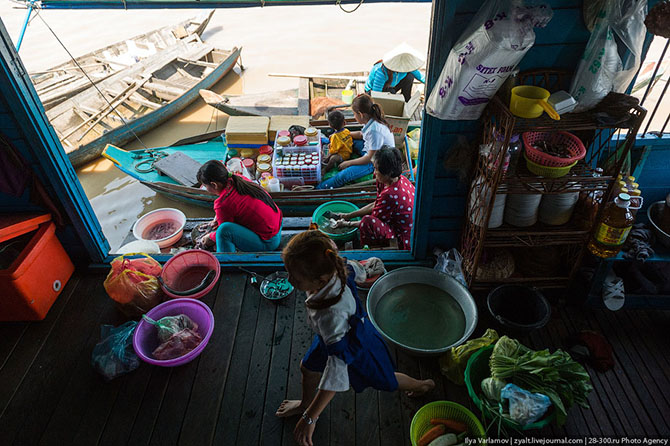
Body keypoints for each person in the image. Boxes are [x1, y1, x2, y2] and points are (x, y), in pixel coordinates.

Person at [275, 231, 434, 446]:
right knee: (308, 368)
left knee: (386, 379)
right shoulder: (339, 265)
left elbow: (337, 370)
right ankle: (304, 403)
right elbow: (359, 272)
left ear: (320, 280)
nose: (289, 279)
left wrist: (311, 417)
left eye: (294, 277)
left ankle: (421, 385)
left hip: (354, 348)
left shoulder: (332, 314)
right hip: (330, 339)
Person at [335, 146, 415, 250]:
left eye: (377, 169)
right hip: (396, 220)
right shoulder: (397, 179)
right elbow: (377, 204)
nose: (374, 172)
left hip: (402, 234)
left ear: (388, 173)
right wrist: (347, 215)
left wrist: (346, 224)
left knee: (367, 222)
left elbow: (373, 218)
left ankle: (372, 248)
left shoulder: (391, 194)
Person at [195, 160, 282, 252]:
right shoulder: (238, 179)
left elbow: (223, 230)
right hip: (278, 226)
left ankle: (227, 263)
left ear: (214, 185)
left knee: (223, 231)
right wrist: (218, 217)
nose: (206, 188)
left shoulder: (222, 204)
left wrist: (210, 237)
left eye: (205, 185)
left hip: (268, 243)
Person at [316, 94, 394, 190]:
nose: (354, 116)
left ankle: (319, 188)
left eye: (354, 114)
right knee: (345, 139)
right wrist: (340, 135)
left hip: (376, 162)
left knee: (343, 176)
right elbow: (361, 135)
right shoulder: (370, 121)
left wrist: (349, 163)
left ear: (361, 114)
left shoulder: (375, 130)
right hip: (370, 150)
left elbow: (370, 158)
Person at [321, 110, 353, 174]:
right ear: (344, 123)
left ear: (330, 125)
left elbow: (333, 151)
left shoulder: (335, 137)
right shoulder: (346, 131)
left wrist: (330, 147)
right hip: (349, 150)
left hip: (343, 156)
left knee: (333, 158)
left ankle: (326, 169)